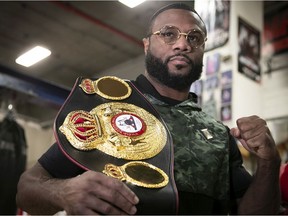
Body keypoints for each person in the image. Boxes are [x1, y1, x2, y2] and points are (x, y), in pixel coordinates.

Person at [16, 3, 281, 215]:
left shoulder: (219, 135)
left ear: (202, 49)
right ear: (146, 45)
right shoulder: (105, 106)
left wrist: (270, 161)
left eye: (194, 37)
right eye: (168, 34)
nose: (182, 44)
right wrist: (64, 193)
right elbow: (27, 189)